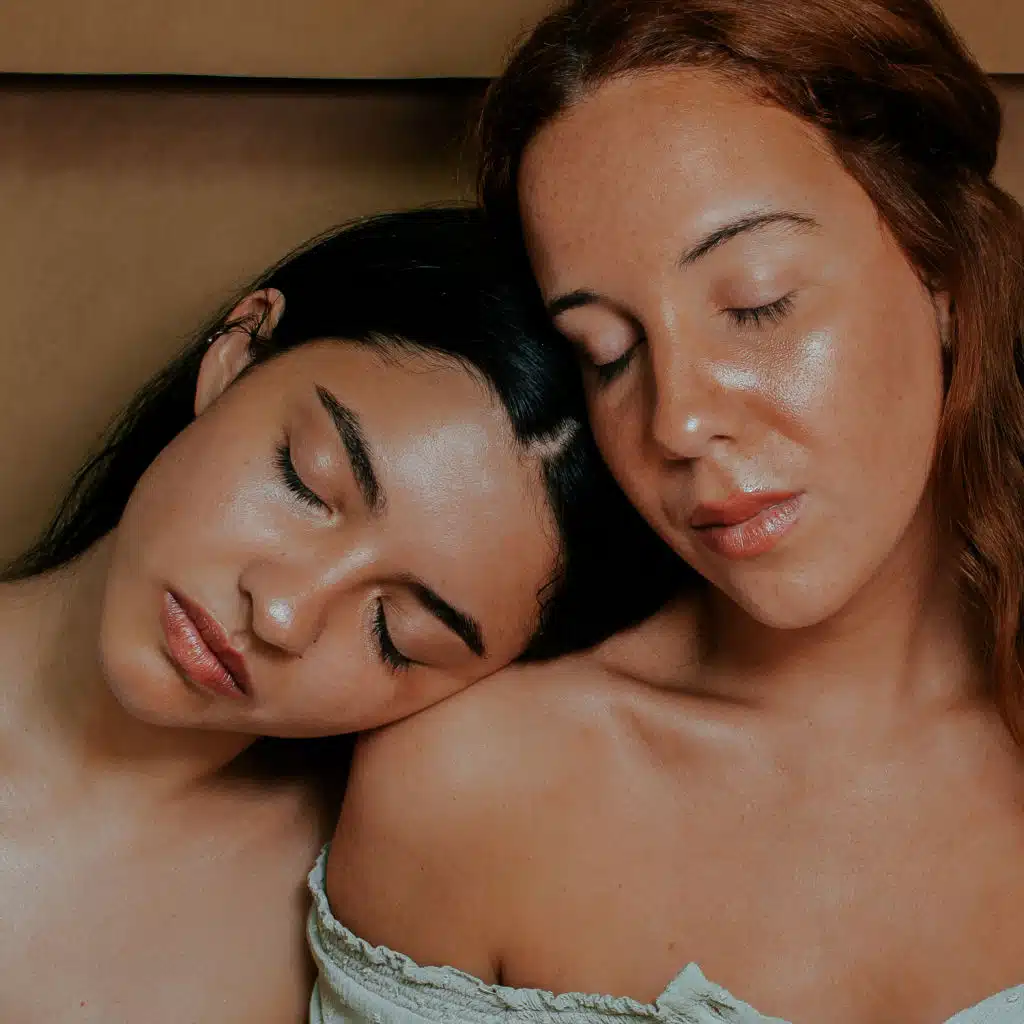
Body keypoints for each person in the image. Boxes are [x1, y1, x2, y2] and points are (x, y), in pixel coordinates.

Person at [319, 3, 1024, 1023]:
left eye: (756, 302)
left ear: (943, 271)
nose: (678, 421)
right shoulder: (470, 786)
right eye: (607, 353)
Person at [0, 206, 677, 1023]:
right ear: (239, 352)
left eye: (396, 635)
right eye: (306, 483)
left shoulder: (381, 941)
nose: (284, 614)